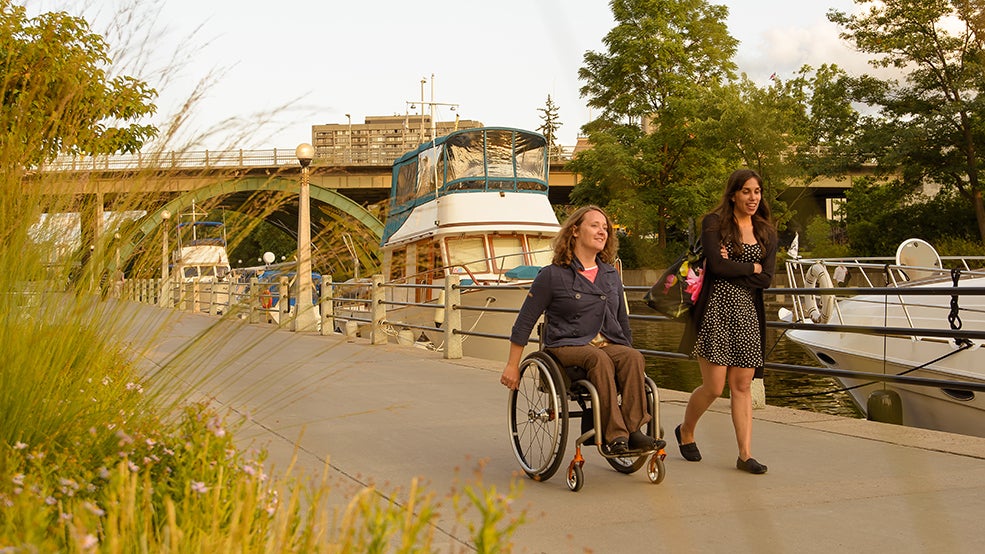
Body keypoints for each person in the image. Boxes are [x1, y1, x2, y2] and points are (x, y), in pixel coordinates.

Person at [500, 205, 665, 455]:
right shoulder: (553, 275)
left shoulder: (610, 274)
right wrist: (513, 365)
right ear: (575, 231)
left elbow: (622, 321)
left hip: (607, 344)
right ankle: (614, 436)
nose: (602, 232)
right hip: (567, 345)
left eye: (605, 228)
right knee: (597, 358)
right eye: (595, 225)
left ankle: (633, 431)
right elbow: (525, 320)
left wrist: (626, 349)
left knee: (633, 357)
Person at [676, 169, 777, 474]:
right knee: (714, 386)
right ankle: (686, 430)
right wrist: (751, 266)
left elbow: (767, 279)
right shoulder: (714, 224)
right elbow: (716, 267)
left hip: (747, 314)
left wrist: (737, 265)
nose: (752, 198)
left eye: (757, 192)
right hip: (715, 311)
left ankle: (745, 455)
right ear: (733, 194)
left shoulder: (767, 233)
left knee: (742, 384)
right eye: (746, 191)